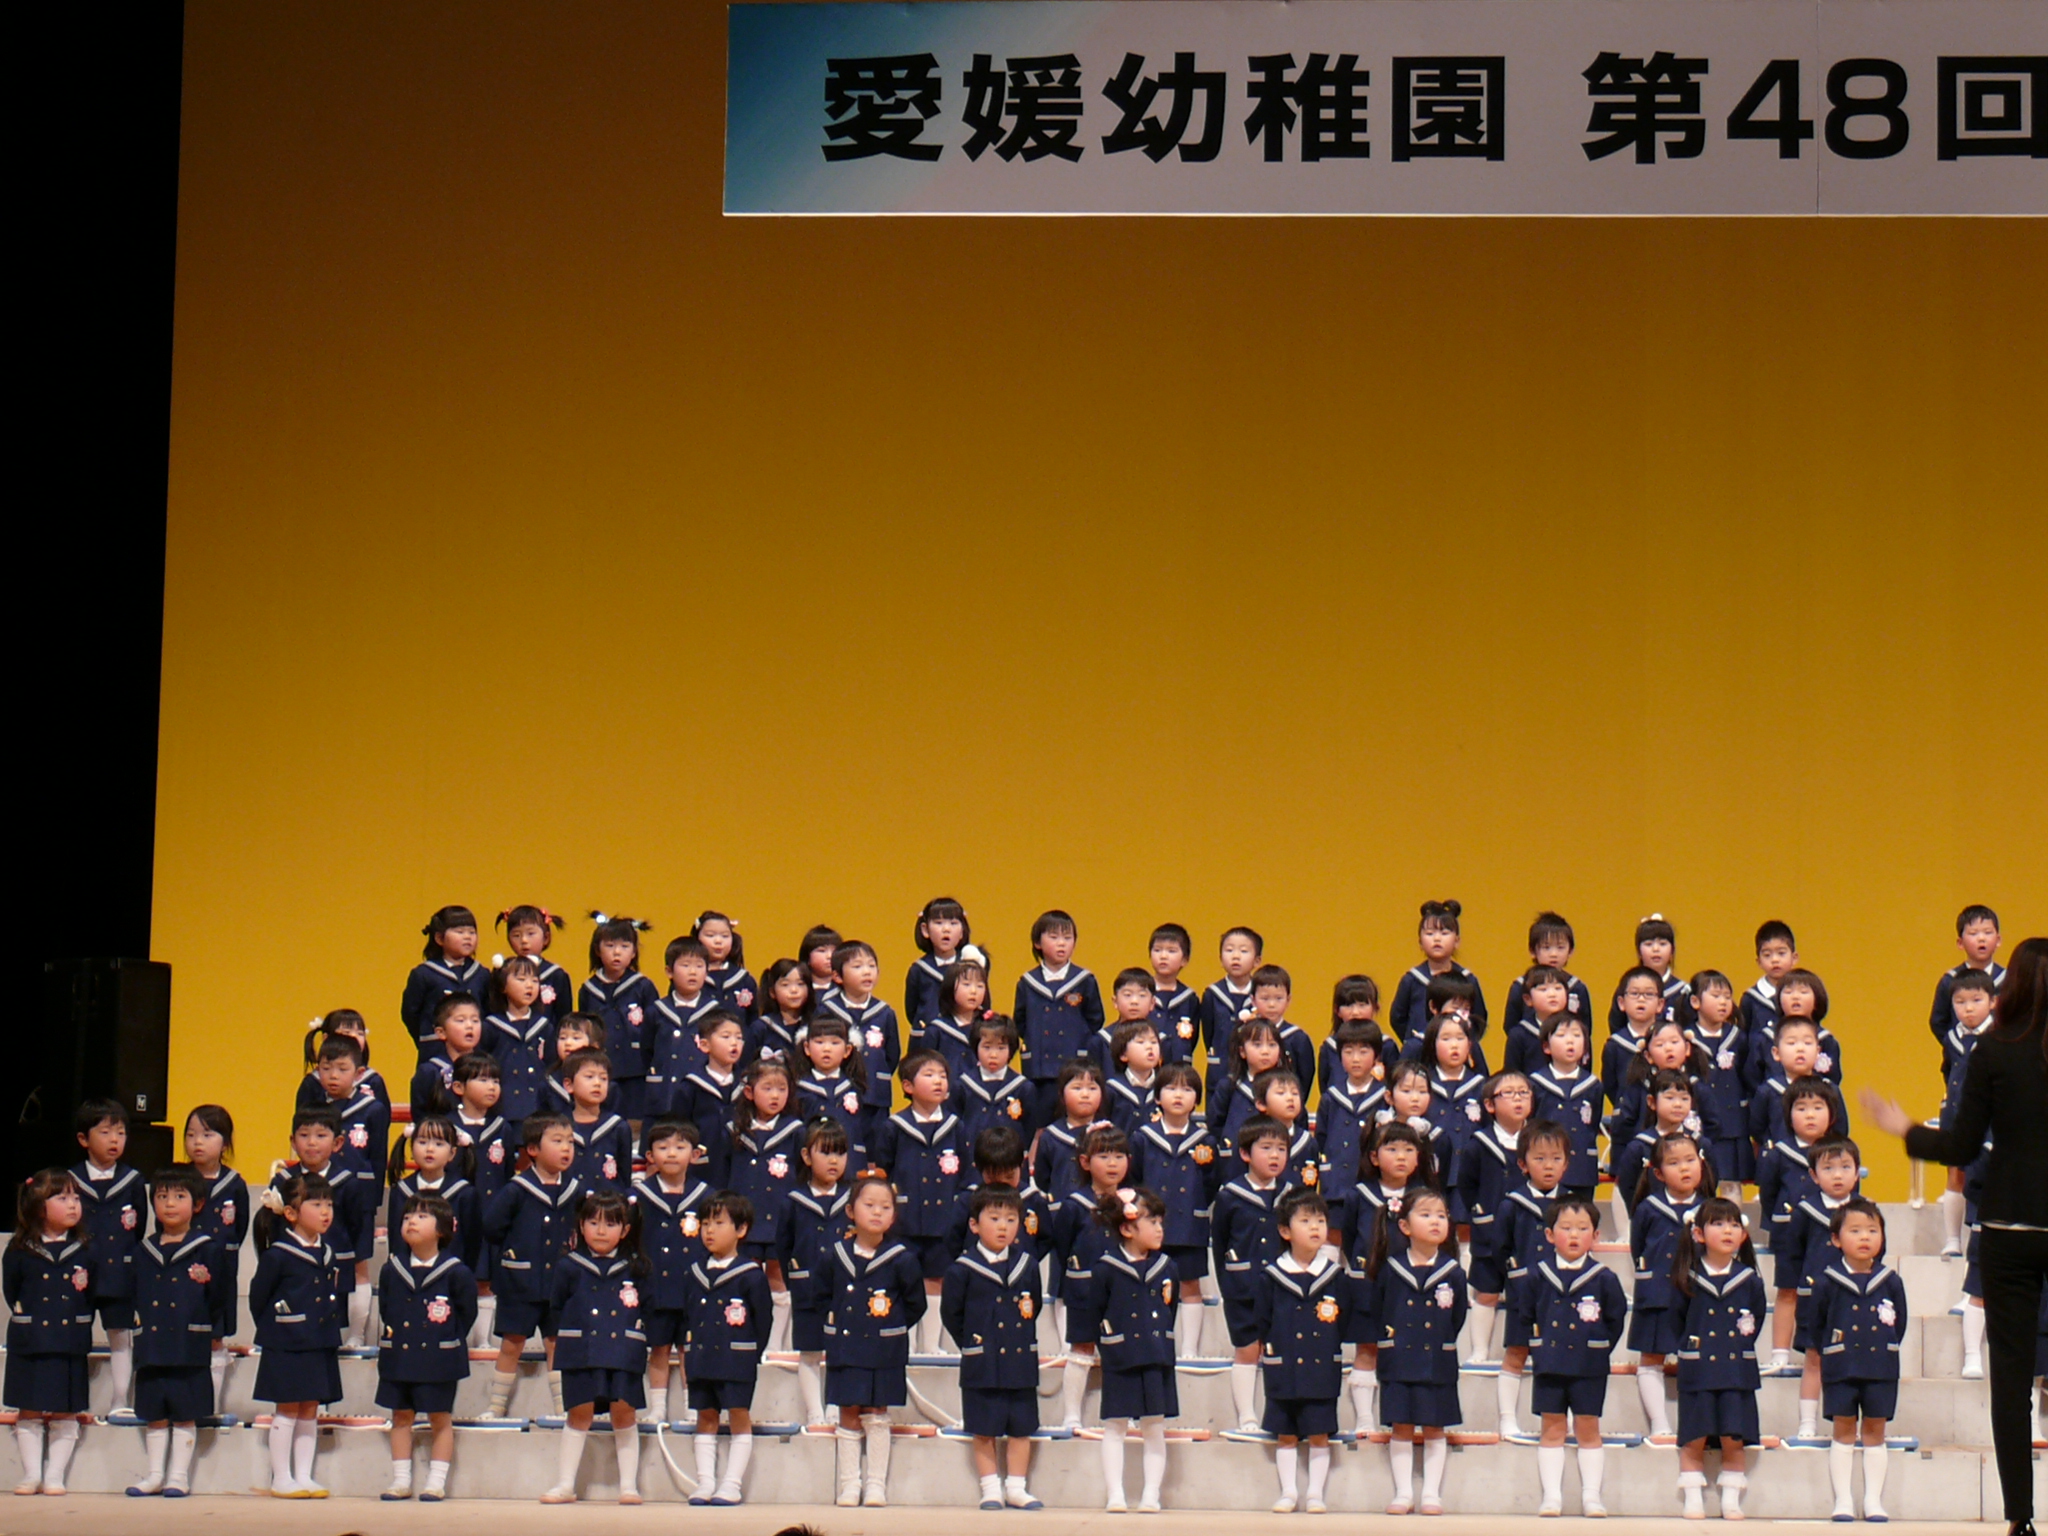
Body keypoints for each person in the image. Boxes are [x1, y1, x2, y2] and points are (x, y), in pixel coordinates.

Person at [1865, 935, 2048, 1536]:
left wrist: (1905, 1128)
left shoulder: (1995, 1049)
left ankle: (2020, 1517)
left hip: (2008, 1228)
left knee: (2012, 1381)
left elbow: (1963, 1146)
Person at [940, 1185, 1045, 1511]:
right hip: (982, 1361)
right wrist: (973, 1344)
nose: (1003, 1226)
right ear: (974, 1225)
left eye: (1011, 1219)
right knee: (983, 1429)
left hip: (1019, 1359)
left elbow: (1034, 1306)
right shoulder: (962, 1268)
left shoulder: (1027, 1265)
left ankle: (1016, 1487)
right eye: (995, 1218)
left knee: (1021, 1427)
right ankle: (990, 1488)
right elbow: (952, 1314)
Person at [825, 1170, 926, 1508]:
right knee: (848, 1411)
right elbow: (821, 1296)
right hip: (845, 1347)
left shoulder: (902, 1258)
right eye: (869, 1205)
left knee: (877, 1413)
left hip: (885, 1349)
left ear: (894, 1215)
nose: (877, 1212)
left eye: (885, 1206)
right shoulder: (835, 1255)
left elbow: (915, 1304)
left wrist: (889, 1327)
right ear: (850, 1210)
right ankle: (849, 1485)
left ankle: (875, 1485)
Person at [1073, 1186, 1177, 1514]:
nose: (1159, 1229)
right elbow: (1096, 1312)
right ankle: (1115, 1494)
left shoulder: (1167, 1267)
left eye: (1160, 1222)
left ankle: (1151, 1494)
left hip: (1156, 1355)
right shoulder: (1106, 1268)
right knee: (1115, 1425)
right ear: (1128, 1228)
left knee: (1154, 1426)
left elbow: (1170, 1309)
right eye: (1152, 1222)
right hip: (1121, 1356)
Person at [540, 1190, 648, 1505]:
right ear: (581, 1225)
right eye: (593, 1223)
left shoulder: (636, 1267)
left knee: (624, 1412)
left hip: (623, 1351)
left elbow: (649, 1308)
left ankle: (629, 1486)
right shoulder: (569, 1266)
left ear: (625, 1230)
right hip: (581, 1350)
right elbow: (556, 1306)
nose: (601, 1231)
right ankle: (565, 1484)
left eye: (610, 1224)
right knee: (579, 1412)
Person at [1522, 1196, 1627, 1518]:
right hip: (1550, 1363)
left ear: (1595, 1236)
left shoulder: (1604, 1278)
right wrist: (1538, 1347)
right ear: (1550, 1234)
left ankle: (1591, 1496)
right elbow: (1525, 1316)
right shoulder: (1537, 1275)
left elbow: (1615, 1320)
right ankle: (1551, 1496)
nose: (1573, 1235)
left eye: (1582, 1229)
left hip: (1588, 1366)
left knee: (1588, 1428)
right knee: (1552, 1428)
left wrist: (1597, 1348)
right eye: (1566, 1228)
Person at [1251, 1187, 1350, 1514]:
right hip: (1284, 1367)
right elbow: (1262, 1320)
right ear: (1285, 1231)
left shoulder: (1335, 1276)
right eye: (1305, 1221)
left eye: (1320, 1220)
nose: (1315, 1227)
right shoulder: (1271, 1276)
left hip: (1321, 1367)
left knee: (1319, 1433)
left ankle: (1315, 1494)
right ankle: (1289, 1492)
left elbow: (1344, 1319)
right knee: (1286, 1433)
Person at [1370, 1187, 1466, 1516]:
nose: (1436, 1222)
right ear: (1405, 1226)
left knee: (1435, 1427)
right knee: (1401, 1426)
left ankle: (1431, 1494)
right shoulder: (1390, 1269)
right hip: (1399, 1359)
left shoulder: (1453, 1272)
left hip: (1437, 1360)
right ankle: (1403, 1493)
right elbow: (1380, 1310)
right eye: (1425, 1215)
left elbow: (1457, 1317)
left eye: (1441, 1215)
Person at [376, 1191, 477, 1501]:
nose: (412, 1222)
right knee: (401, 1416)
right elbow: (386, 1310)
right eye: (407, 1217)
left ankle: (436, 1481)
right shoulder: (392, 1269)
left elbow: (466, 1313)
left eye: (422, 1216)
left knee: (439, 1418)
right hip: (399, 1356)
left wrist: (445, 1339)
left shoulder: (456, 1272)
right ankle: (401, 1480)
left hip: (439, 1358)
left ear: (443, 1228)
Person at [250, 1172, 345, 1497]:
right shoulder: (278, 1254)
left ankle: (304, 1476)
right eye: (316, 1204)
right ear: (290, 1213)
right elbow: (259, 1298)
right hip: (287, 1342)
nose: (325, 1211)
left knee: (310, 1408)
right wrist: (279, 1328)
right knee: (288, 1408)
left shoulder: (328, 1253)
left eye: (329, 1204)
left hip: (319, 1340)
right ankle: (281, 1477)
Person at [1812, 1198, 1908, 1523]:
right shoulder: (1827, 1281)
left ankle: (1873, 1501)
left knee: (1875, 1429)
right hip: (1841, 1367)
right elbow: (1816, 1325)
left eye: (1872, 1230)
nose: (1865, 1237)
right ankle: (1843, 1500)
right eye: (1855, 1231)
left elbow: (1899, 1324)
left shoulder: (1890, 1281)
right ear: (1836, 1239)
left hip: (1881, 1367)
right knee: (1843, 1428)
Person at [481, 1114, 582, 1420]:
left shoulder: (574, 1190)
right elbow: (492, 1226)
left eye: (570, 1142)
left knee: (556, 1344)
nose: (566, 1148)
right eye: (557, 1141)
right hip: (519, 1284)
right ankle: (496, 1406)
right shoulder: (517, 1189)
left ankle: (563, 1410)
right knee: (512, 1344)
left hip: (559, 1285)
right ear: (533, 1149)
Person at [1672, 1197, 1766, 1521]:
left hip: (1736, 1370)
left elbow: (1754, 1321)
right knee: (1694, 1437)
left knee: (1733, 1438)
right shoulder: (1687, 1276)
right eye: (1718, 1224)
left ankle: (1731, 1499)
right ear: (1698, 1233)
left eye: (1734, 1224)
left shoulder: (1749, 1279)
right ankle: (1693, 1498)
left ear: (1743, 1234)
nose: (1728, 1230)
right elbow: (1676, 1321)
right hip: (1698, 1370)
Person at [870, 1049, 967, 1354]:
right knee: (906, 1279)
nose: (938, 1081)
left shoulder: (955, 1127)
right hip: (905, 1220)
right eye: (929, 1075)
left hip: (943, 1220)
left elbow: (966, 1173)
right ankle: (907, 1342)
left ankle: (930, 1344)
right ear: (908, 1086)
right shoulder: (894, 1127)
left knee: (936, 1279)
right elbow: (883, 1172)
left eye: (943, 1076)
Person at [6, 1170, 92, 1496]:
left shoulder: (84, 1249)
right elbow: (11, 1289)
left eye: (76, 1198)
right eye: (62, 1198)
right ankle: (32, 1474)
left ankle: (54, 1475)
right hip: (31, 1339)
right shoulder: (20, 1249)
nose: (73, 1205)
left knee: (65, 1409)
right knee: (28, 1407)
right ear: (38, 1206)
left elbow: (91, 1290)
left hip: (69, 1338)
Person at [684, 1193, 773, 1506]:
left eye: (719, 1223)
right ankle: (705, 1482)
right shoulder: (695, 1272)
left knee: (738, 1413)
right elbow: (688, 1316)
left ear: (741, 1229)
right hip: (701, 1357)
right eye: (705, 1223)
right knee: (705, 1415)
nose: (710, 1230)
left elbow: (763, 1320)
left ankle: (732, 1484)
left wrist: (750, 1354)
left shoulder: (751, 1275)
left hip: (737, 1358)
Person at [630, 1117, 707, 1425]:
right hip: (654, 1286)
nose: (671, 1154)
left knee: (690, 1349)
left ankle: (691, 1408)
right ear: (650, 1156)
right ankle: (658, 1408)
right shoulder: (639, 1197)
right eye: (663, 1148)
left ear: (695, 1154)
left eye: (680, 1147)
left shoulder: (706, 1196)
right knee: (658, 1348)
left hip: (693, 1287)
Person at [72, 1097, 144, 1416]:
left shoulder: (132, 1181)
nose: (114, 1140)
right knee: (76, 1335)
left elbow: (137, 1227)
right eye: (105, 1132)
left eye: (121, 1133)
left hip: (119, 1272)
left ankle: (119, 1399)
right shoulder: (71, 1180)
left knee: (121, 1334)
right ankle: (74, 1401)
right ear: (83, 1139)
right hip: (80, 1272)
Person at [180, 1104, 248, 1406]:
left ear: (225, 1143)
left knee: (215, 1336)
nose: (197, 1142)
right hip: (182, 1270)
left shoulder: (234, 1184)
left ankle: (210, 1404)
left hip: (220, 1272)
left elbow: (240, 1227)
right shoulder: (178, 1179)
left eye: (207, 1135)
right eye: (191, 1134)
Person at [1014, 911, 1105, 1130]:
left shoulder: (1084, 980)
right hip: (1040, 1069)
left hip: (1074, 1064)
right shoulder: (1028, 983)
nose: (1061, 943)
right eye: (1054, 937)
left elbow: (1095, 1019)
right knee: (1040, 1126)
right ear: (1038, 943)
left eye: (1067, 937)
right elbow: (1020, 1021)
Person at [817, 940, 901, 1148]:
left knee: (875, 1147)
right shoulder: (827, 1010)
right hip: (838, 1092)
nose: (866, 972)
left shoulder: (885, 1012)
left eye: (871, 966)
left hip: (876, 1094)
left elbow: (892, 1055)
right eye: (857, 966)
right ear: (837, 976)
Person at [577, 912, 658, 1120]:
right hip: (601, 1070)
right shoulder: (588, 990)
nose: (617, 952)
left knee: (635, 1122)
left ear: (634, 952)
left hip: (637, 1070)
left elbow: (655, 1029)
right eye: (610, 945)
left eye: (624, 946)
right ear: (597, 950)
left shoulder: (643, 987)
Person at [1389, 901, 1489, 1050]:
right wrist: (1414, 1039)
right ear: (1420, 942)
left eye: (1444, 933)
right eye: (1430, 934)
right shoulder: (1412, 980)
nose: (1437, 939)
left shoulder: (1467, 980)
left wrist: (1463, 1039)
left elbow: (1479, 1018)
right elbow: (1398, 1018)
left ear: (1457, 941)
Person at [403, 906, 488, 1060]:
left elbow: (488, 1010)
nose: (467, 937)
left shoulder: (482, 974)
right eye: (460, 932)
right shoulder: (424, 974)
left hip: (474, 1051)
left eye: (472, 932)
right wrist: (427, 1036)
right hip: (435, 1049)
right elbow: (410, 1014)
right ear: (439, 938)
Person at [484, 955, 556, 1123]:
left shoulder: (544, 1026)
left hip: (538, 1109)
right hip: (502, 1108)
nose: (529, 985)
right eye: (521, 979)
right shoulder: (491, 1026)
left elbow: (552, 1065)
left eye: (535, 980)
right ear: (503, 986)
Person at [905, 897, 972, 1037]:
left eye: (953, 923)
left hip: (962, 1038)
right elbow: (912, 1010)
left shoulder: (970, 967)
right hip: (926, 1037)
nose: (946, 929)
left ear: (962, 931)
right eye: (938, 923)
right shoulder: (919, 970)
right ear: (925, 930)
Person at [1146, 922, 1201, 1064]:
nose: (1163, 956)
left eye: (1171, 951)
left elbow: (1193, 1039)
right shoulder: (1142, 992)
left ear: (1184, 960)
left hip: (1179, 1067)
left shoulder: (1189, 999)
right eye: (1157, 950)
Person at [694, 909, 757, 1020]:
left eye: (725, 936)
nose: (718, 941)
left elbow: (753, 1019)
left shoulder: (744, 980)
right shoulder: (689, 977)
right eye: (710, 935)